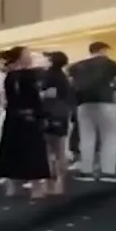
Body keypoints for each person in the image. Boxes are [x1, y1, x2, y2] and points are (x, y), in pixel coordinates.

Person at [0, 47, 51, 199]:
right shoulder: (29, 76)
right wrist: (41, 115)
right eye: (27, 54)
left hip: (13, 118)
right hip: (29, 118)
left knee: (12, 151)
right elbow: (35, 99)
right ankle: (36, 188)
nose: (30, 57)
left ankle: (12, 187)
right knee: (34, 152)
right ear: (21, 58)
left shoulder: (9, 77)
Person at [68, 41, 116, 182]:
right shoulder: (110, 63)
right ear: (103, 50)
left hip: (84, 104)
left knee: (86, 138)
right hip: (106, 103)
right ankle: (107, 171)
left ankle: (86, 171)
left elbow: (71, 85)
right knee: (109, 137)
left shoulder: (76, 66)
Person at [41, 52, 73, 195]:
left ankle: (48, 183)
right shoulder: (63, 76)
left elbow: (46, 93)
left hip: (48, 112)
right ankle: (60, 183)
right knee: (60, 149)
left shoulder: (48, 75)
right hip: (62, 112)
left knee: (47, 150)